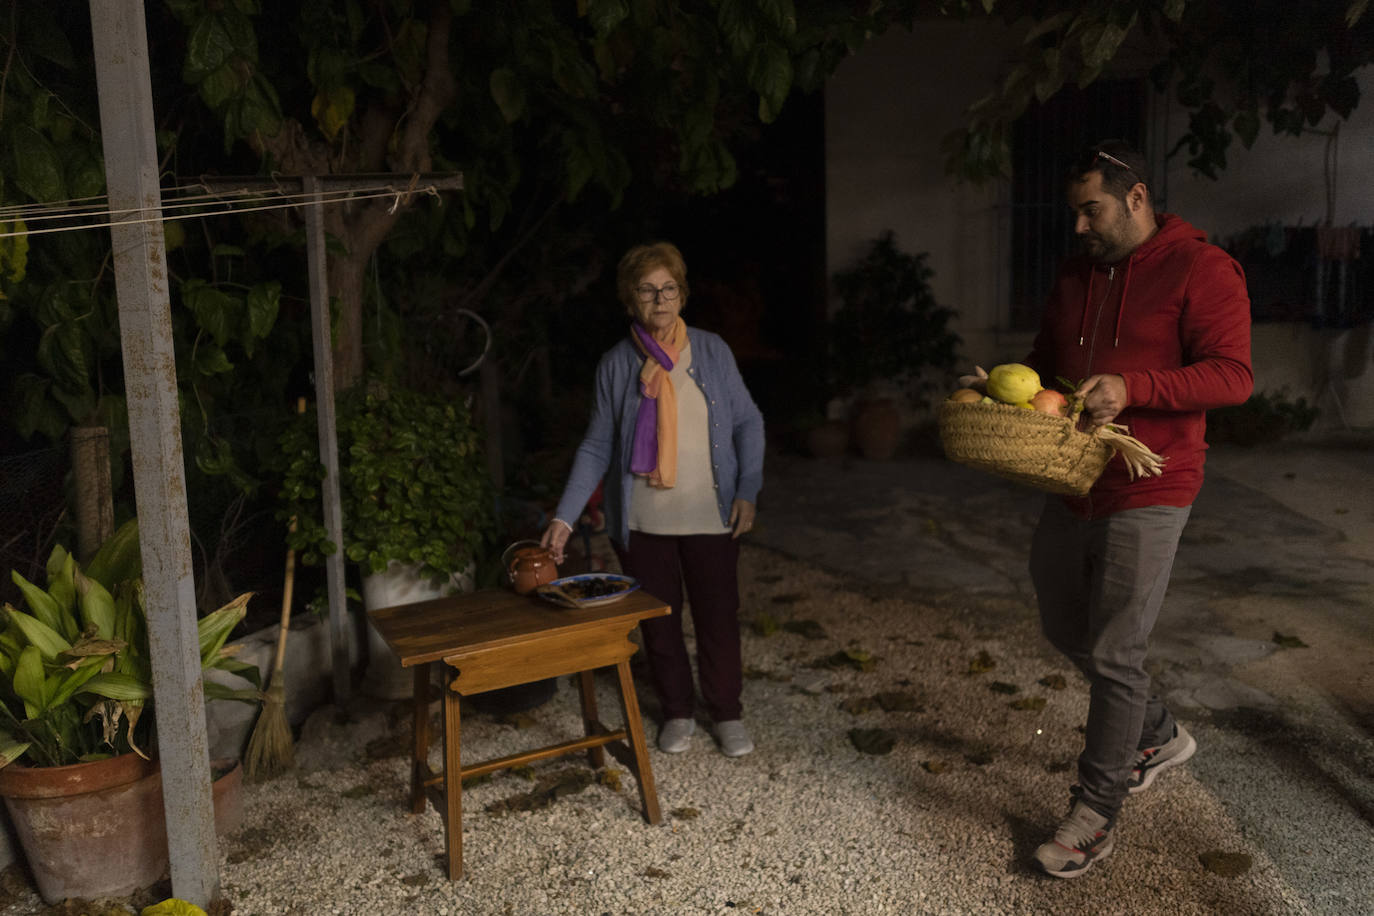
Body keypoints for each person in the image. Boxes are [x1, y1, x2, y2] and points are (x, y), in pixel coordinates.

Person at [982, 141, 1253, 877]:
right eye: (1073, 211)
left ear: (1136, 200)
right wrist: (1002, 392)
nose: (1077, 227)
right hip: (1073, 478)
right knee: (1062, 623)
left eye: (1090, 210)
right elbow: (1047, 360)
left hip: (1152, 483)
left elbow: (1233, 377)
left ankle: (1095, 814)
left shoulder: (1202, 268)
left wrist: (1134, 388)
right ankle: (1156, 732)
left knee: (1114, 651)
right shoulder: (1077, 272)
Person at [541, 241, 766, 758]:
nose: (659, 299)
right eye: (647, 290)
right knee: (658, 624)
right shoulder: (616, 365)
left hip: (711, 517)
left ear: (682, 295)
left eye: (668, 288)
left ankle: (727, 712)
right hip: (642, 523)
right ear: (630, 302)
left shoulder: (711, 351)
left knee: (717, 618)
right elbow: (597, 445)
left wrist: (747, 491)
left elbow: (747, 422)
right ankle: (678, 711)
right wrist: (564, 517)